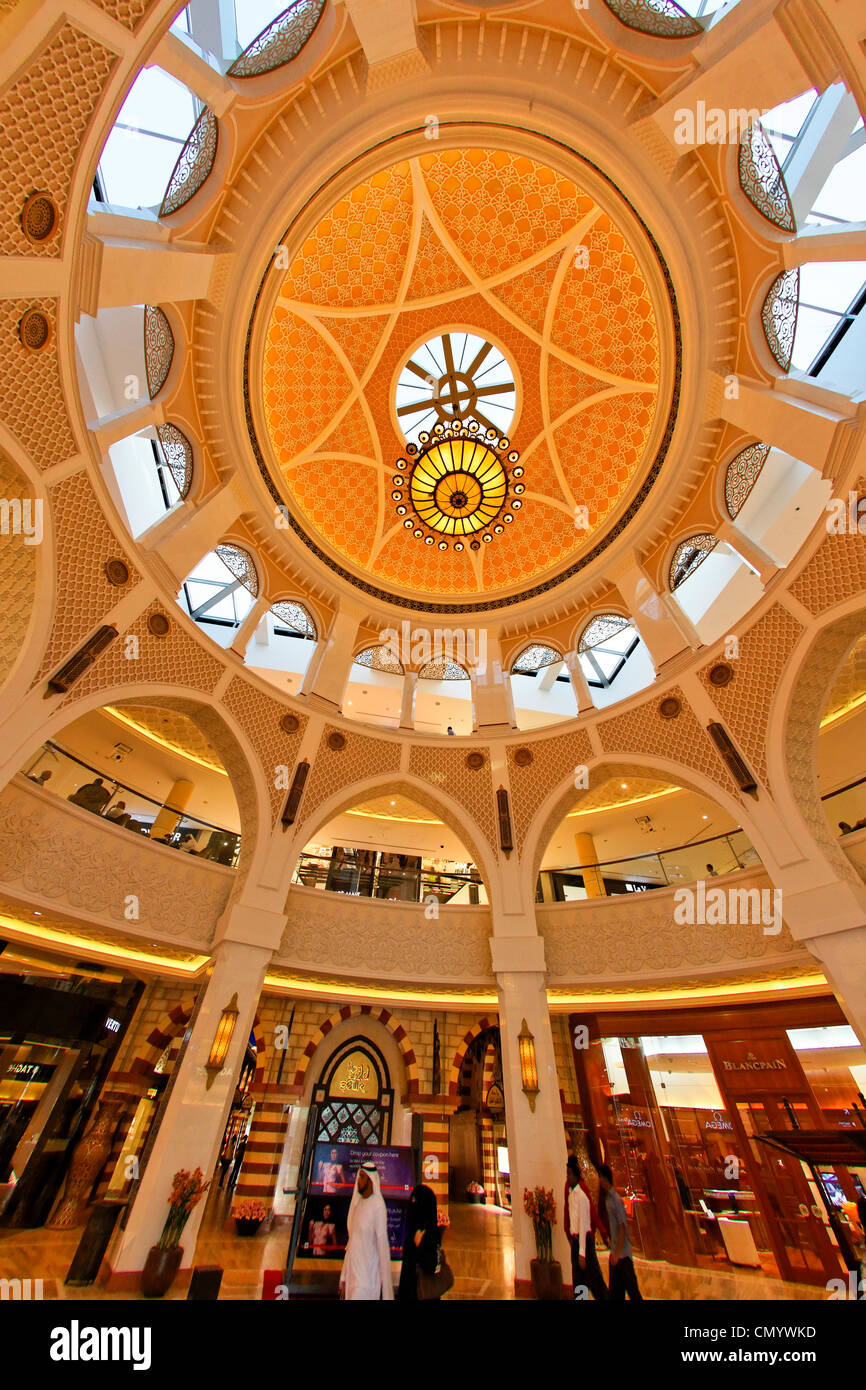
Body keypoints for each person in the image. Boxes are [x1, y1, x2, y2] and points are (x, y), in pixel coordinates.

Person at [340, 1162, 394, 1300]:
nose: (358, 1180)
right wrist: (344, 1277)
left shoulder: (378, 1206)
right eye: (359, 1176)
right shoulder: (358, 1205)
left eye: (362, 1177)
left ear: (370, 1181)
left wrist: (387, 1292)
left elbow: (383, 1248)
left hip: (366, 1282)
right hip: (353, 1279)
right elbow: (351, 1244)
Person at [596, 1164, 642, 1301]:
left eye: (600, 1177)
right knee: (615, 1293)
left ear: (605, 1178)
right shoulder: (607, 1199)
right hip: (616, 1254)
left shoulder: (616, 1200)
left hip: (623, 1255)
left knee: (633, 1291)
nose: (599, 1180)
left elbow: (622, 1227)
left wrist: (617, 1253)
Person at [566, 1158, 607, 1301]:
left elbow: (584, 1225)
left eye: (570, 1174)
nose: (568, 1178)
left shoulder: (581, 1197)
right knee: (579, 1281)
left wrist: (582, 1253)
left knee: (595, 1279)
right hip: (576, 1241)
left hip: (585, 1243)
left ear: (576, 1177)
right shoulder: (571, 1195)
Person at [397, 1184, 441, 1300]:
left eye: (416, 1201)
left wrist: (419, 1246)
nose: (412, 1205)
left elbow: (431, 1265)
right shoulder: (412, 1232)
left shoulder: (430, 1233)